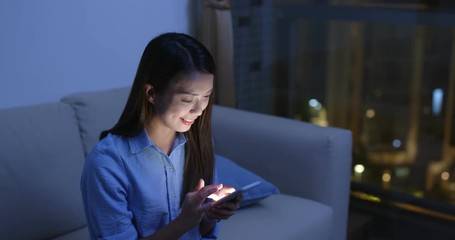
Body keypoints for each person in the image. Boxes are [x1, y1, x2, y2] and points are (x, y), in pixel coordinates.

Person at [80, 32, 241, 240]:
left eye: (206, 96)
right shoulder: (108, 163)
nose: (199, 109)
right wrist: (183, 222)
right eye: (188, 99)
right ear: (151, 94)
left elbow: (203, 233)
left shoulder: (199, 142)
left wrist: (210, 215)